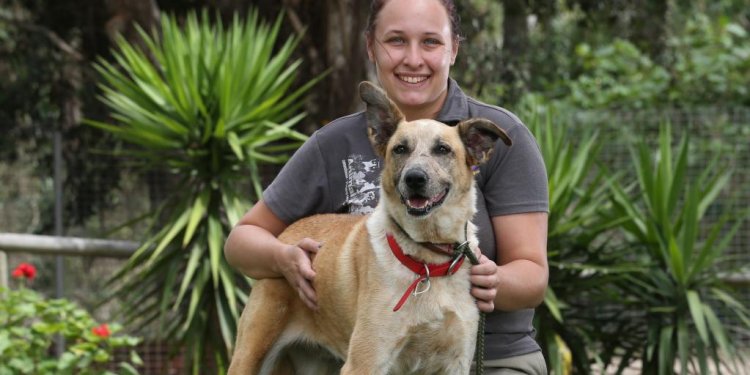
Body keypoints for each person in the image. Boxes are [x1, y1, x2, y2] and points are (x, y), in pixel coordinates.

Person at [224, 0, 549, 373]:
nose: (413, 59)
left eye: (430, 42)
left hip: (493, 357)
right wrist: (282, 258)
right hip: (349, 348)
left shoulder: (492, 135)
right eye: (396, 40)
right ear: (371, 47)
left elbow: (534, 277)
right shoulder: (334, 143)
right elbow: (242, 240)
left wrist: (495, 280)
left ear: (454, 48)